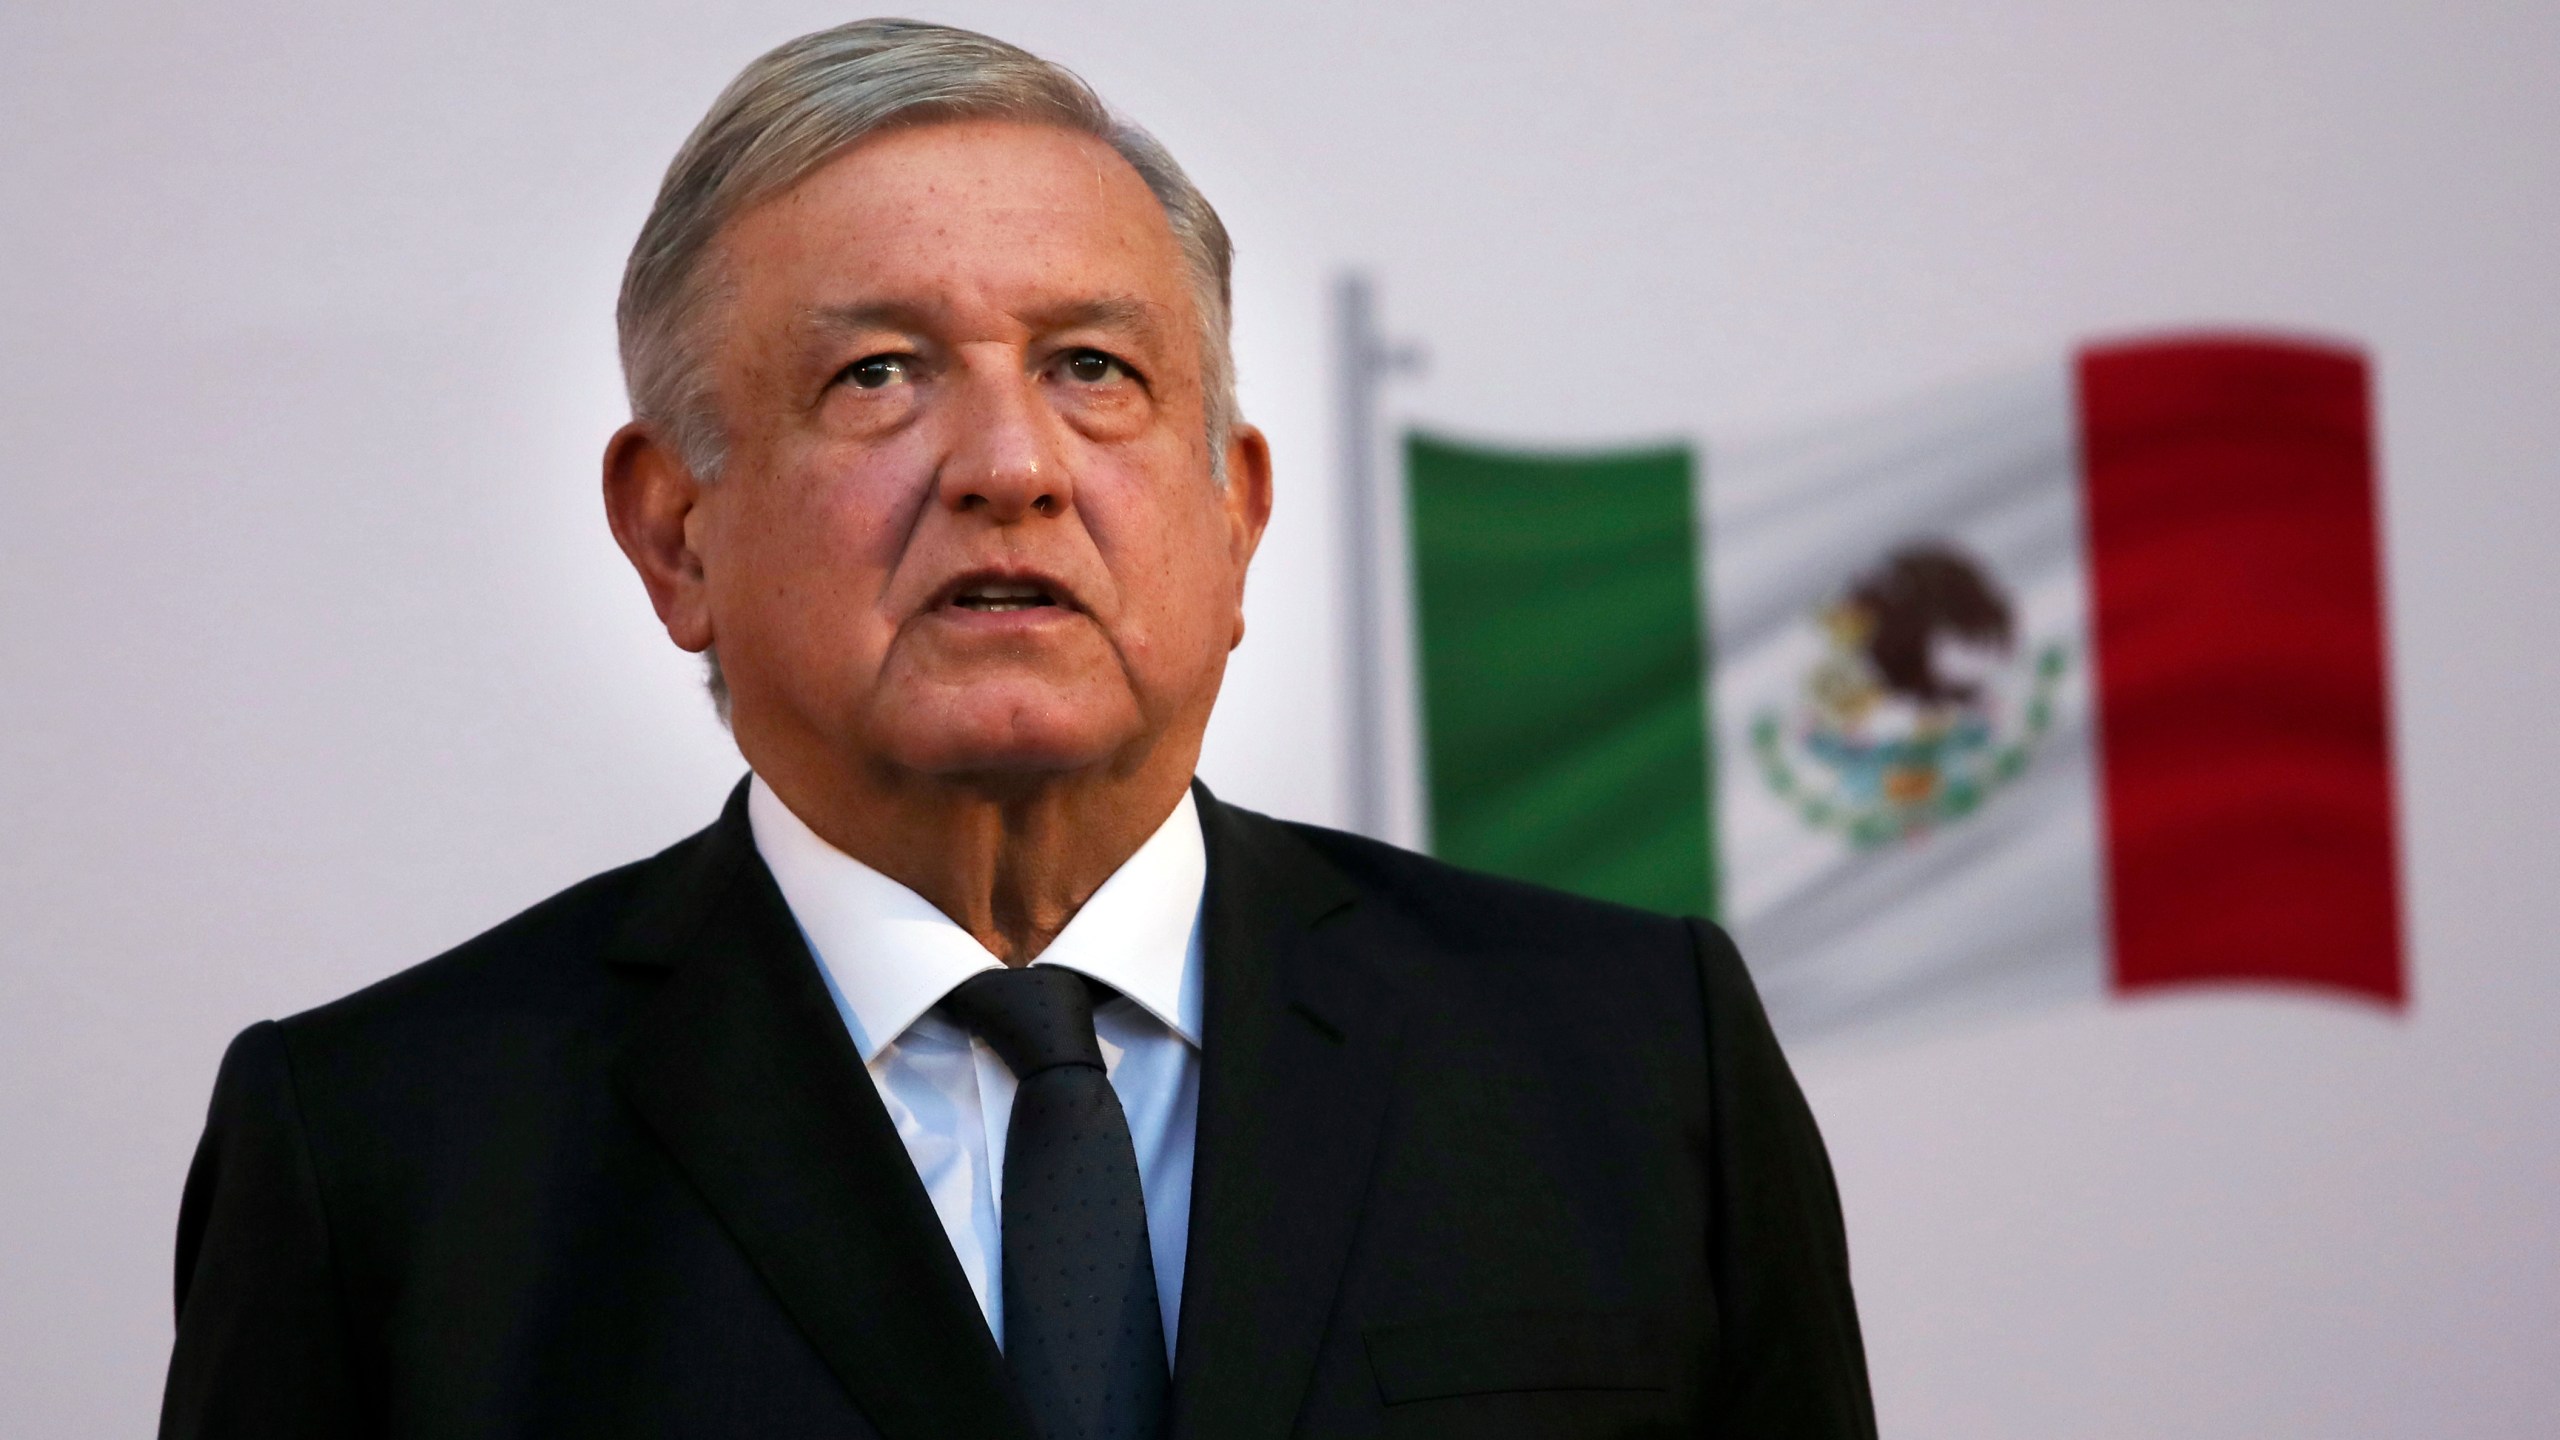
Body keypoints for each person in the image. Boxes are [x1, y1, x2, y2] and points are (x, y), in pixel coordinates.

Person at [157, 19, 1875, 1439]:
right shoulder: (383, 1152)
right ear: (676, 534)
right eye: (880, 373)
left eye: (1095, 370)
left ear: (1237, 518)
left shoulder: (1636, 1061)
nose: (1012, 465)